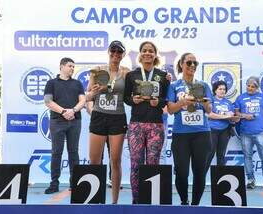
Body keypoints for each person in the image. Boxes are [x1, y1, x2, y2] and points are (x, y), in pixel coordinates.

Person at [124, 41, 170, 204]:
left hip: (156, 125)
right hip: (136, 124)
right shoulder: (131, 75)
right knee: (135, 163)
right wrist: (133, 99)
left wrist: (158, 102)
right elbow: (126, 98)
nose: (148, 53)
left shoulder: (164, 76)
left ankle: (152, 198)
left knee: (153, 163)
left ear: (155, 54)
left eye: (151, 51)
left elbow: (166, 100)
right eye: (144, 50)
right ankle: (136, 200)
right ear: (140, 54)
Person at [167, 53, 213, 205]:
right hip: (181, 134)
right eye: (189, 63)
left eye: (195, 63)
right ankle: (184, 201)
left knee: (200, 172)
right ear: (181, 64)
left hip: (202, 133)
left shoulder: (203, 85)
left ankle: (196, 205)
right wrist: (183, 101)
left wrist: (203, 101)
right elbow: (171, 109)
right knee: (181, 172)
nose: (192, 65)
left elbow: (208, 110)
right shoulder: (174, 85)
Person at [86, 40, 129, 204]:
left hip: (117, 118)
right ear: (109, 52)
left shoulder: (126, 73)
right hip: (99, 116)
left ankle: (114, 202)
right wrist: (94, 94)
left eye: (119, 52)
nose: (116, 54)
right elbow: (89, 95)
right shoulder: (97, 71)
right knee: (95, 161)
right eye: (113, 51)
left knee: (115, 160)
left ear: (123, 55)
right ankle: (95, 200)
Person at [43, 57, 86, 194]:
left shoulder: (78, 83)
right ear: (61, 66)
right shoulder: (51, 83)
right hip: (57, 121)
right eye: (70, 66)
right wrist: (63, 111)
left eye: (73, 66)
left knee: (74, 153)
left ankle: (75, 184)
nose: (72, 68)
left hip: (75, 121)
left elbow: (83, 100)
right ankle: (54, 184)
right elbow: (48, 101)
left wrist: (72, 110)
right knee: (56, 152)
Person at [234, 76, 263, 190]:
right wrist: (245, 116)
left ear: (257, 87)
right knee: (248, 157)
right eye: (248, 86)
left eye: (253, 86)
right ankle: (250, 180)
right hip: (245, 133)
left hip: (261, 133)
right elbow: (236, 113)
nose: (250, 88)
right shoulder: (240, 98)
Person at [207, 81, 239, 166]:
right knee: (209, 154)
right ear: (215, 90)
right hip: (212, 130)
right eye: (220, 89)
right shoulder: (210, 101)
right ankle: (201, 178)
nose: (222, 91)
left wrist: (235, 118)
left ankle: (220, 178)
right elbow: (210, 115)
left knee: (221, 155)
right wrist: (225, 116)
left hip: (225, 130)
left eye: (224, 89)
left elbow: (231, 117)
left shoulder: (228, 102)